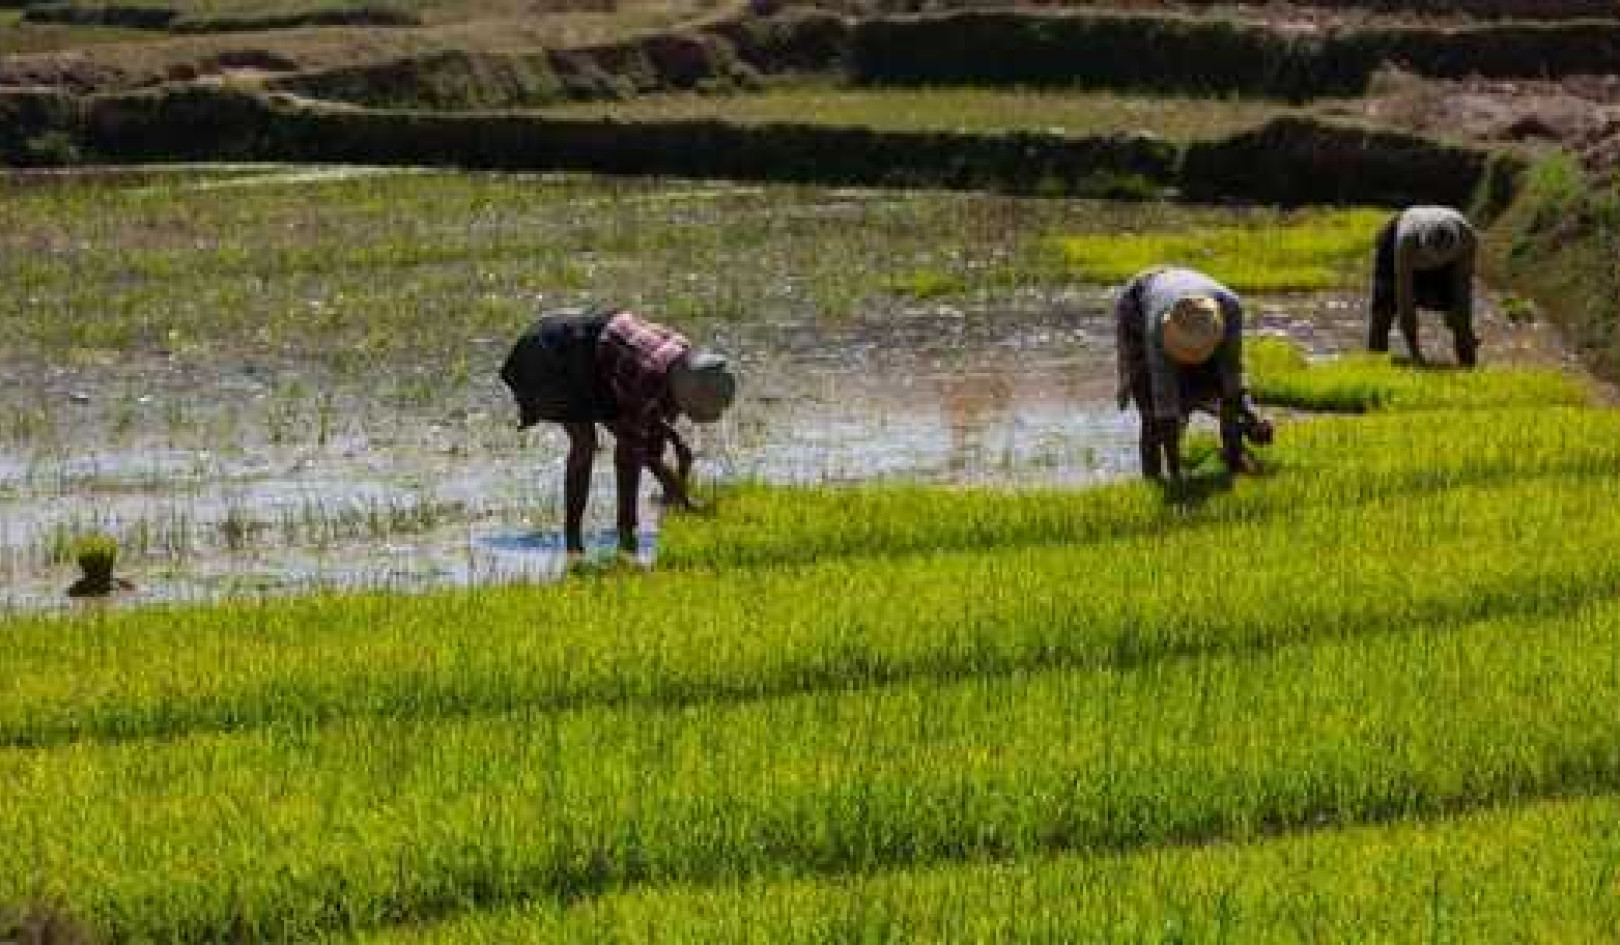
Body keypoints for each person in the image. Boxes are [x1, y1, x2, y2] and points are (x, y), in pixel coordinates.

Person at [499, 304, 737, 558]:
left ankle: (647, 516)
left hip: (595, 356)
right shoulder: (649, 377)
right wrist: (636, 520)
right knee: (584, 444)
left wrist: (671, 442)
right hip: (551, 352)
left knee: (629, 432)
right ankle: (573, 543)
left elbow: (641, 416)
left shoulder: (681, 356)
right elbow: (628, 455)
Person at [1116, 266, 1272, 483]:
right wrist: (1176, 475)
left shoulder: (1230, 309)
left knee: (1220, 386)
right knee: (1151, 410)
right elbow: (1164, 399)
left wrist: (1250, 416)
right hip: (1138, 303)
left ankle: (1233, 460)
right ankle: (1153, 478)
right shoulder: (1158, 328)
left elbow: (1232, 378)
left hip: (1181, 292)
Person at [1369, 205, 1479, 367]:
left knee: (1458, 316)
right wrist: (1415, 353)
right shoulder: (1406, 241)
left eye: (1440, 260)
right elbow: (1404, 297)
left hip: (1449, 248)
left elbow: (1463, 292)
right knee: (1383, 309)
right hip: (1398, 239)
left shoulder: (1467, 239)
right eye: (1431, 260)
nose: (1434, 264)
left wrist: (1464, 328)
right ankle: (1375, 362)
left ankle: (1468, 366)